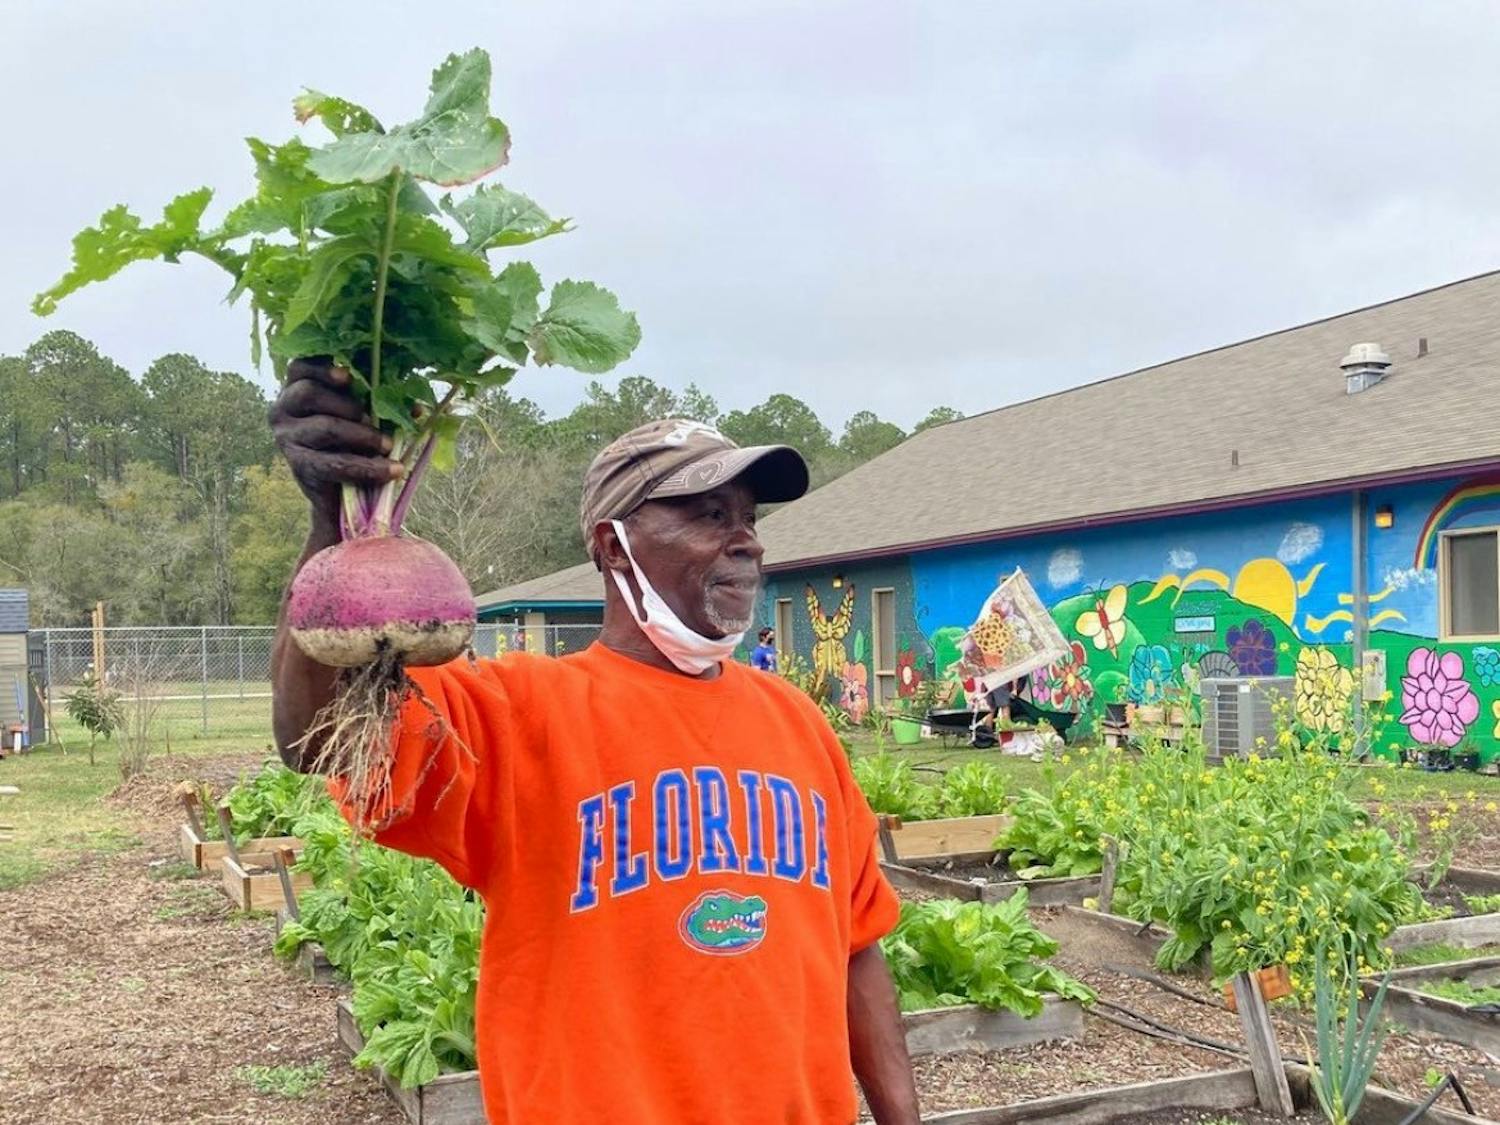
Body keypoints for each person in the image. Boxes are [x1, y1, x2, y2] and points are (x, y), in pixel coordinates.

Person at [268, 359, 920, 1125]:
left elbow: (858, 948)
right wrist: (330, 527)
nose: (745, 541)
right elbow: (318, 741)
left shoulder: (798, 722)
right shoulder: (515, 713)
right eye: (710, 515)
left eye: (750, 518)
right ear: (614, 547)